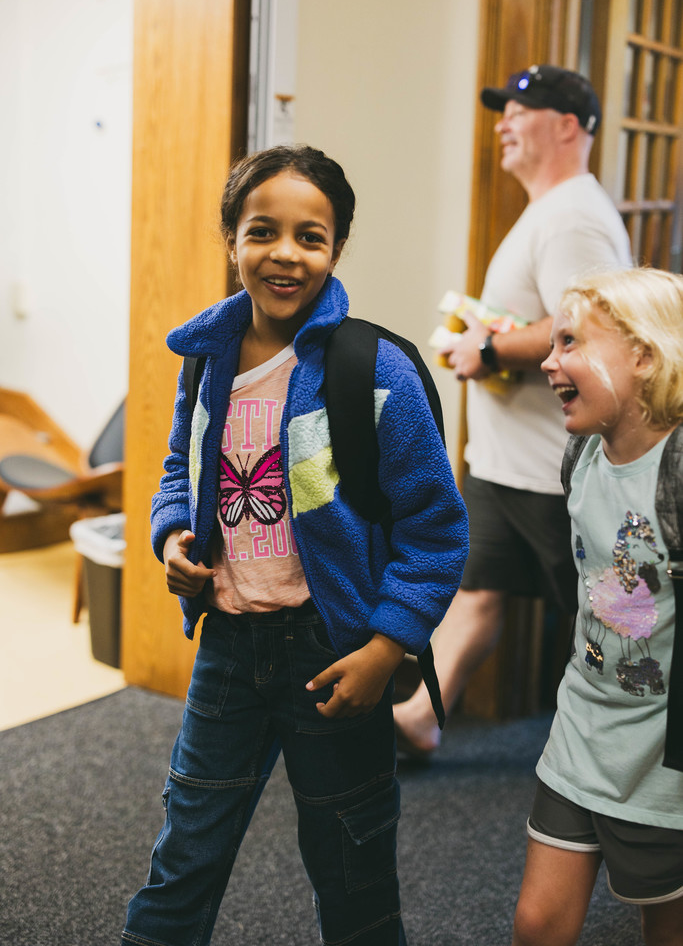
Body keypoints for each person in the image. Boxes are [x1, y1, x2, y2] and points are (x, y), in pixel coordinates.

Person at [121, 144, 468, 946]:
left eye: (310, 237)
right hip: (230, 650)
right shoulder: (205, 360)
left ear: (336, 249)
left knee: (353, 877)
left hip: (332, 651)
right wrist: (173, 534)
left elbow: (435, 530)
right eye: (261, 231)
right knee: (182, 862)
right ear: (231, 239)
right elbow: (183, 469)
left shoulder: (374, 371)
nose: (284, 253)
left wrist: (388, 647)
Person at [394, 64, 632, 758]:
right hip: (505, 461)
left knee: (608, 616)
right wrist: (485, 336)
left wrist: (489, 352)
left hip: (550, 470)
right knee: (476, 588)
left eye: (517, 111)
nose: (501, 123)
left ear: (567, 127)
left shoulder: (574, 217)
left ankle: (626, 748)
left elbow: (587, 329)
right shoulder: (548, 209)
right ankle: (418, 716)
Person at [512, 267, 683, 946]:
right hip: (583, 724)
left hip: (663, 756)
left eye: (571, 342)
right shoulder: (581, 455)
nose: (550, 361)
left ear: (642, 356)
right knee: (536, 924)